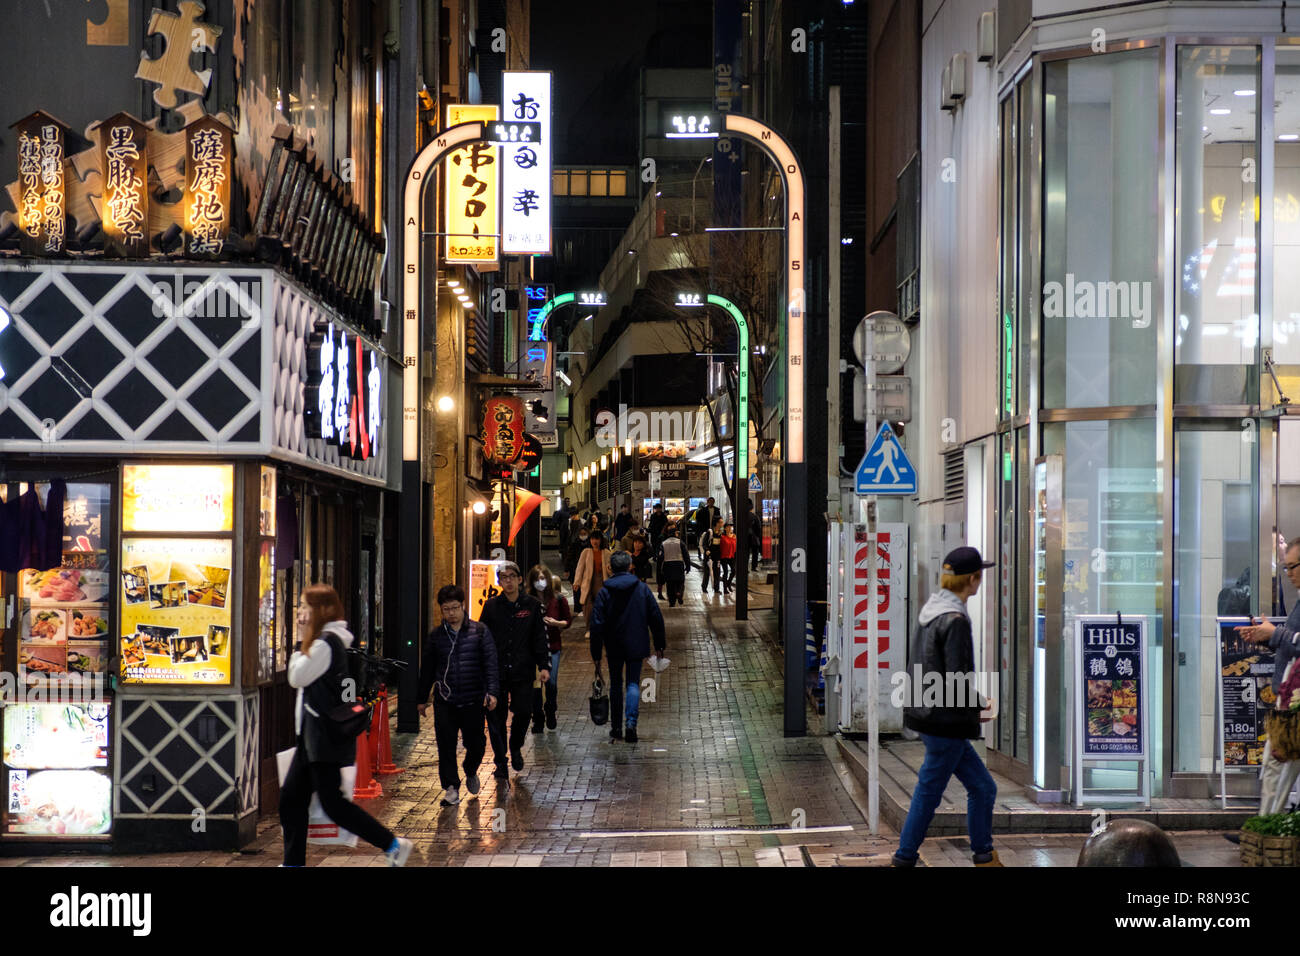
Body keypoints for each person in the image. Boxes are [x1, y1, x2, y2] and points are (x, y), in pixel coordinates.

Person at [281, 585, 413, 866]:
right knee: (292, 800)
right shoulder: (324, 642)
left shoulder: (325, 644)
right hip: (311, 738)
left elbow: (296, 676)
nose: (301, 613)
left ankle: (393, 845)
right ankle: (293, 862)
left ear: (321, 611)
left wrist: (299, 641)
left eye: (305, 606)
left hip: (321, 740)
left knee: (334, 806)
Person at [892, 547, 1000, 868]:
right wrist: (980, 703)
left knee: (983, 787)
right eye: (979, 575)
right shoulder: (955, 620)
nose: (981, 581)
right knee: (930, 791)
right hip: (946, 722)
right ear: (972, 579)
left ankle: (983, 855)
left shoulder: (932, 610)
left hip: (929, 715)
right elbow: (957, 677)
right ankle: (905, 856)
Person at [417, 585, 499, 806]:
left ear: (463, 606)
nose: (451, 613)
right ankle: (451, 787)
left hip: (473, 699)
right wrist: (422, 698)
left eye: (455, 608)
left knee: (477, 744)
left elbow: (490, 664)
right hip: (446, 700)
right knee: (446, 745)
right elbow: (427, 669)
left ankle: (470, 768)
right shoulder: (436, 637)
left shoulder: (480, 631)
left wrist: (492, 692)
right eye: (446, 609)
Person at [1236, 536, 1300, 814]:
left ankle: (1269, 826)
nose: (1289, 574)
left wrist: (1275, 634)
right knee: (1279, 767)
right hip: (1290, 698)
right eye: (1286, 568)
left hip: (1295, 702)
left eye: (1293, 566)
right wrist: (1266, 637)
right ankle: (1272, 826)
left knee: (1276, 764)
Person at [479, 563, 550, 778]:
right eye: (503, 577)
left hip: (523, 669)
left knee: (523, 712)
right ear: (499, 582)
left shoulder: (532, 606)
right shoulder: (491, 607)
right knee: (496, 718)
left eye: (512, 577)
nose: (508, 581)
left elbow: (539, 638)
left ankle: (516, 745)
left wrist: (544, 665)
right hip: (496, 671)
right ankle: (501, 760)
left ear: (520, 579)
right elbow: (482, 637)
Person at [590, 550, 666, 744]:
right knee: (632, 683)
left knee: (616, 684)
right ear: (630, 566)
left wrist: (596, 653)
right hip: (636, 642)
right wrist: (659, 644)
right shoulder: (641, 589)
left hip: (613, 644)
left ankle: (616, 727)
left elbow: (597, 624)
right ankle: (631, 724)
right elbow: (655, 616)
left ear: (610, 568)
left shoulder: (605, 592)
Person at [528, 565, 572, 732]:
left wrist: (556, 623)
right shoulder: (528, 600)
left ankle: (551, 709)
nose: (541, 582)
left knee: (551, 683)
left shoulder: (558, 599)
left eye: (543, 578)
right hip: (532, 650)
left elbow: (567, 621)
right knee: (535, 686)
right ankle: (537, 718)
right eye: (537, 579)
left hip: (553, 646)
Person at [573, 528, 612, 620]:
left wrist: (609, 569)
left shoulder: (607, 553)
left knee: (601, 605)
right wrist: (577, 582)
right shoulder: (586, 552)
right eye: (592, 539)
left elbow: (611, 570)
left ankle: (600, 626)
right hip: (588, 581)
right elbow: (580, 568)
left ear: (601, 540)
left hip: (602, 581)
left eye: (597, 539)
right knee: (587, 606)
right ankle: (588, 627)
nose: (594, 541)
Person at [658, 524, 691, 607]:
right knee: (680, 582)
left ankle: (672, 602)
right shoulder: (680, 543)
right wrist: (688, 566)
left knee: (670, 585)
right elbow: (686, 555)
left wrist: (660, 569)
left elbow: (660, 557)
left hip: (667, 566)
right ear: (675, 533)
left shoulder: (664, 543)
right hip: (679, 565)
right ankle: (679, 592)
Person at [700, 518, 724, 594]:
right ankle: (704, 587)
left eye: (722, 522)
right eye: (720, 522)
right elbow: (704, 543)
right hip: (709, 556)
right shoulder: (710, 532)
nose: (721, 524)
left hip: (717, 556)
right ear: (716, 523)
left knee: (717, 572)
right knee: (707, 572)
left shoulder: (721, 533)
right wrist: (706, 550)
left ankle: (716, 588)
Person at [564, 515, 586, 583]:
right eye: (581, 534)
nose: (583, 536)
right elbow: (569, 556)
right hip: (575, 568)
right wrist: (566, 569)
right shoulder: (575, 543)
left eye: (584, 534)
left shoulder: (589, 544)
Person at [720, 523, 737, 594]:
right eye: (728, 527)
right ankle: (725, 589)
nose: (730, 528)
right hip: (724, 556)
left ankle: (728, 583)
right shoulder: (722, 537)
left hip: (732, 556)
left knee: (733, 571)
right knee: (726, 572)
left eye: (731, 527)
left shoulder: (734, 536)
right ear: (725, 528)